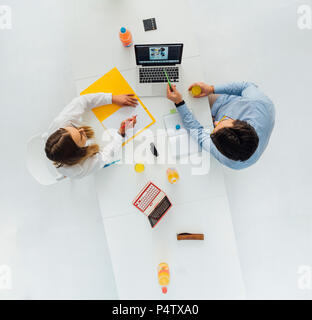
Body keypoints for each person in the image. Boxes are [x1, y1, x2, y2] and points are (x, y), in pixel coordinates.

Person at [166, 82, 275, 169]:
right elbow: (245, 86)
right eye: (226, 120)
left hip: (219, 127)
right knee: (186, 87)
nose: (215, 122)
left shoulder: (230, 160)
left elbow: (200, 135)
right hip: (223, 102)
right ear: (240, 121)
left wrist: (179, 103)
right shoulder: (258, 103)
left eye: (214, 131)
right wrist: (212, 89)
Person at [44, 93, 138, 179]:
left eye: (73, 127)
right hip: (71, 168)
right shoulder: (80, 170)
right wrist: (121, 133)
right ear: (80, 151)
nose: (81, 129)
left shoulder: (61, 123)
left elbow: (82, 101)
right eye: (81, 137)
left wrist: (111, 98)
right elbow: (105, 156)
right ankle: (63, 175)